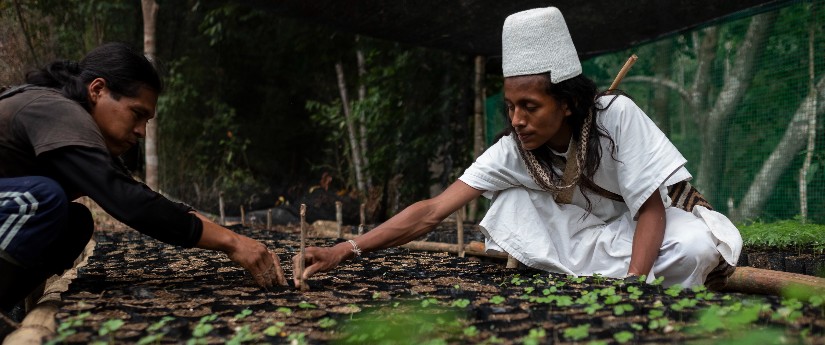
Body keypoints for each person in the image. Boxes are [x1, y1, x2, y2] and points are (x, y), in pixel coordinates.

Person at [293, 7, 742, 288]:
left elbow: (649, 210)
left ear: (566, 104)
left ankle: (600, 274)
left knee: (695, 248)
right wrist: (343, 250)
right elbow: (431, 211)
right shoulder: (514, 150)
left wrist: (634, 287)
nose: (516, 120)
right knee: (511, 200)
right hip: (579, 241)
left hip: (637, 236)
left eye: (529, 106)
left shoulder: (615, 115)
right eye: (510, 106)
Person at [0, 42, 287, 315]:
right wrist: (232, 243)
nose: (141, 131)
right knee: (41, 199)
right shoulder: (56, 110)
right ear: (98, 90)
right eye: (137, 114)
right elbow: (130, 203)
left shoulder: (79, 132)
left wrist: (236, 238)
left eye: (147, 121)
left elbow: (140, 194)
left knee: (75, 222)